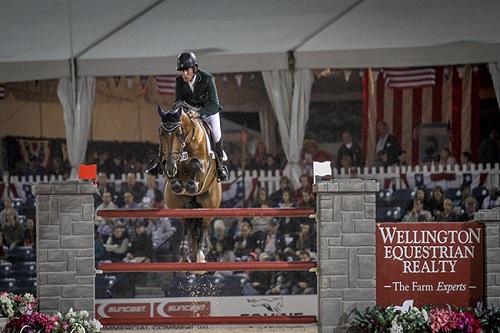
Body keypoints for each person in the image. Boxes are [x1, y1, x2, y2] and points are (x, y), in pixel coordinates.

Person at [146, 51, 229, 181]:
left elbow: (214, 104)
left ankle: (221, 167)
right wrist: (173, 113)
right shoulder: (179, 80)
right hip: (188, 112)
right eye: (182, 71)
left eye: (187, 70)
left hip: (208, 111)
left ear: (194, 68)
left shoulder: (207, 79)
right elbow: (178, 100)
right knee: (170, 131)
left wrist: (199, 113)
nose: (184, 74)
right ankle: (159, 162)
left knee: (216, 134)